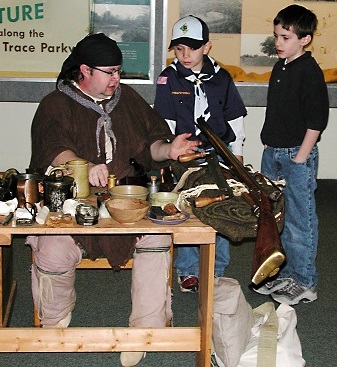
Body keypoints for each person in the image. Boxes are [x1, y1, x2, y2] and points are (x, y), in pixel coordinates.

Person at [26, 33, 201, 367]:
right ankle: (55, 321)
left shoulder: (128, 98)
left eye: (118, 71)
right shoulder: (55, 103)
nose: (116, 79)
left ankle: (145, 331)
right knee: (52, 250)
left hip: (127, 202)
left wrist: (171, 150)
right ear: (84, 71)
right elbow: (52, 147)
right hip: (73, 203)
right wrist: (83, 166)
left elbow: (152, 144)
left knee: (156, 239)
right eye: (109, 72)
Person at [153, 15, 247, 293]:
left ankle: (216, 269)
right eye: (179, 48)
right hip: (186, 155)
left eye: (191, 48)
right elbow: (164, 121)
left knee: (222, 207)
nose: (184, 55)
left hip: (221, 152)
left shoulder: (222, 78)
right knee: (189, 208)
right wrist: (167, 153)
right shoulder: (168, 78)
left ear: (206, 47)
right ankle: (188, 269)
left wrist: (237, 154)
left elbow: (235, 118)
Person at [254, 4, 329, 305]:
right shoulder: (279, 67)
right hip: (272, 153)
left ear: (305, 39)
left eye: (285, 37)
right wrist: (268, 143)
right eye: (276, 36)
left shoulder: (310, 72)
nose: (278, 43)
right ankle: (283, 274)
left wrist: (301, 157)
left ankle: (305, 281)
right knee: (274, 219)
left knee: (300, 219)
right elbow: (278, 111)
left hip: (297, 156)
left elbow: (316, 121)